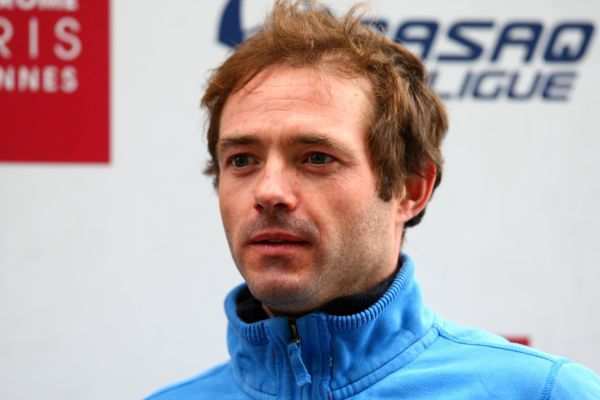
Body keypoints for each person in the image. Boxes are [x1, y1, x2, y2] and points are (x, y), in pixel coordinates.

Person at [147, 1, 600, 398]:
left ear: (411, 189)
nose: (269, 191)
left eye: (317, 158)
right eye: (243, 160)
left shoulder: (545, 394)